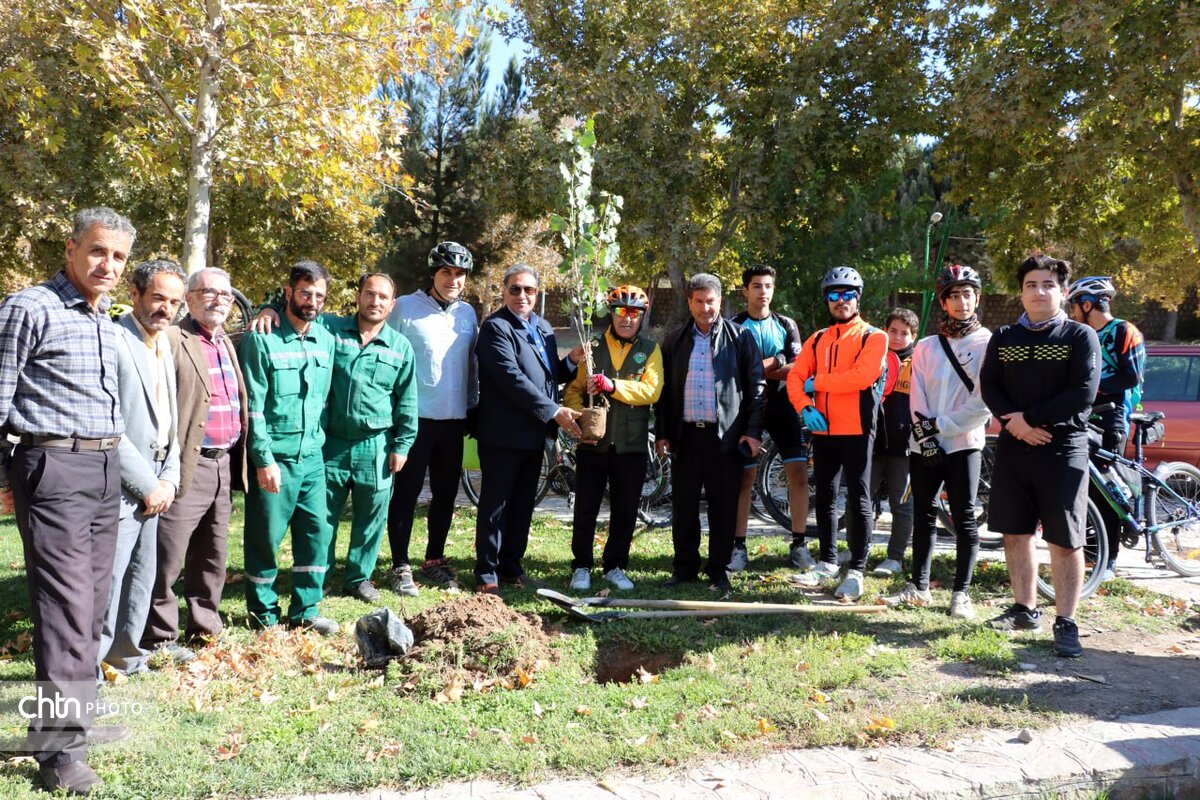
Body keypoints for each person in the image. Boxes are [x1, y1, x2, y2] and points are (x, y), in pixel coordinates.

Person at [0, 207, 135, 795]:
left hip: (104, 469)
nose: (108, 265)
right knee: (66, 612)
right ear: (71, 249)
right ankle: (59, 754)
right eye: (98, 251)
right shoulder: (30, 308)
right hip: (53, 467)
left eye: (119, 257)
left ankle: (65, 724)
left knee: (91, 610)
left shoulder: (105, 318)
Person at [980, 254, 1100, 658]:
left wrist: (1029, 419)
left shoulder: (1080, 337)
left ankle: (1066, 621)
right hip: (1014, 446)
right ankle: (1024, 609)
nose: (1039, 291)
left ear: (1062, 292)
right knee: (1015, 532)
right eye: (1031, 285)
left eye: (1048, 284)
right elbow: (990, 385)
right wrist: (1013, 423)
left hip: (1063, 448)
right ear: (1021, 292)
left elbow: (1083, 392)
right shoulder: (1004, 337)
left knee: (1064, 538)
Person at [143, 267, 248, 665]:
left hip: (222, 465)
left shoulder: (225, 341)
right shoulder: (172, 338)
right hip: (186, 465)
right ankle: (159, 636)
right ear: (189, 298)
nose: (219, 300)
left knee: (212, 555)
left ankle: (205, 629)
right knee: (167, 556)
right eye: (209, 292)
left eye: (226, 294)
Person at [883, 267, 991, 619]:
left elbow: (982, 402)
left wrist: (940, 426)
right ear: (943, 302)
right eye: (954, 296)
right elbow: (917, 394)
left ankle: (961, 593)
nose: (962, 302)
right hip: (924, 444)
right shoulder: (927, 346)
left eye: (967, 294)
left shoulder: (987, 342)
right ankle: (919, 587)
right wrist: (926, 436)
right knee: (924, 515)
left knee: (964, 517)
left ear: (977, 298)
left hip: (964, 442)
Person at [239, 261, 338, 634]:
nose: (312, 301)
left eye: (319, 296)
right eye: (305, 293)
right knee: (265, 538)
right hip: (276, 457)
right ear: (288, 292)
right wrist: (263, 459)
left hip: (312, 458)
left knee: (316, 533)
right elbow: (254, 407)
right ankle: (262, 614)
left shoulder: (325, 338)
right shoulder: (262, 337)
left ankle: (306, 611)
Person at [473, 264, 582, 593]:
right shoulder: (495, 328)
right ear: (504, 291)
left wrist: (571, 362)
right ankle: (487, 573)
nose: (522, 295)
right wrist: (555, 411)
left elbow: (548, 376)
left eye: (529, 290)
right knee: (496, 505)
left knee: (522, 504)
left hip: (534, 434)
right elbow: (511, 379)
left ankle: (511, 567)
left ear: (537, 293)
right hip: (503, 434)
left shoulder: (543, 327)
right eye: (515, 289)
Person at [656, 273, 765, 596]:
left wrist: (752, 432)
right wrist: (662, 433)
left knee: (723, 507)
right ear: (689, 302)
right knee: (684, 506)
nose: (706, 308)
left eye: (711, 301)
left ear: (721, 301)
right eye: (699, 302)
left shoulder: (741, 337)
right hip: (686, 437)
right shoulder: (674, 340)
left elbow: (757, 389)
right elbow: (664, 393)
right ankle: (684, 567)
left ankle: (719, 569)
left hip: (726, 439)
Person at [100, 260, 185, 677]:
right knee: (110, 578)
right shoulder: (114, 339)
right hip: (121, 481)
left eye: (174, 302)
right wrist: (148, 483)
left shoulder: (163, 343)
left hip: (157, 478)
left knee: (141, 573)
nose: (166, 308)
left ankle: (126, 656)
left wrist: (169, 477)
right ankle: (91, 665)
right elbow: (108, 424)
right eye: (158, 298)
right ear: (134, 294)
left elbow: (169, 421)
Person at [786, 266, 888, 601]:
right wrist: (805, 406)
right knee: (826, 497)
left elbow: (861, 376)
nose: (840, 300)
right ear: (827, 300)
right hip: (823, 428)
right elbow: (795, 378)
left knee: (859, 498)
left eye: (847, 295)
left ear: (857, 299)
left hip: (857, 429)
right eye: (834, 295)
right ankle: (828, 562)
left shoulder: (874, 336)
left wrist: (818, 382)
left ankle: (857, 570)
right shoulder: (817, 339)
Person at [386, 242, 478, 595]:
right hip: (415, 419)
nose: (453, 279)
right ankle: (399, 564)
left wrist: (473, 408)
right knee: (406, 494)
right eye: (446, 272)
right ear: (433, 274)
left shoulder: (467, 314)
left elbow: (472, 365)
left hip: (453, 420)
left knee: (445, 495)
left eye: (459, 273)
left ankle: (433, 559)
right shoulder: (405, 307)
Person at [565, 285, 664, 592]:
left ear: (642, 317)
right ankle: (581, 566)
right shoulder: (592, 345)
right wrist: (580, 416)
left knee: (625, 509)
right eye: (621, 311)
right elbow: (573, 389)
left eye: (634, 313)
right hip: (593, 444)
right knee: (586, 507)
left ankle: (615, 566)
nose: (626, 318)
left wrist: (613, 385)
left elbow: (652, 391)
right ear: (611, 313)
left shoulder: (650, 350)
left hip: (631, 444)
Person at [729, 265, 809, 572]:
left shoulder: (786, 324)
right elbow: (733, 370)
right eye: (757, 286)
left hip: (782, 405)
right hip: (746, 408)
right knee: (744, 479)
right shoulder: (734, 325)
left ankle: (799, 544)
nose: (763, 292)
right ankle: (738, 547)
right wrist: (777, 360)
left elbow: (798, 368)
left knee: (798, 474)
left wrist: (760, 367)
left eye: (768, 286)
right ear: (745, 290)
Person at [1066, 276, 1145, 581]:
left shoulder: (1124, 331)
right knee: (1081, 485)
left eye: (1075, 305)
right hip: (1082, 414)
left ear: (1088, 304)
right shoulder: (1079, 333)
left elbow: (1131, 377)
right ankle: (1090, 555)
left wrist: (1091, 387)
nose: (1072, 311)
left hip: (1113, 416)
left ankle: (1109, 560)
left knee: (1105, 491)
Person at [868, 308, 918, 578]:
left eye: (904, 333)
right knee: (860, 500)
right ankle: (857, 550)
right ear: (884, 330)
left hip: (904, 448)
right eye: (893, 331)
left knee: (902, 505)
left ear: (913, 336)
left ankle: (895, 557)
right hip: (871, 445)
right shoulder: (873, 358)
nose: (898, 337)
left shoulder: (919, 363)